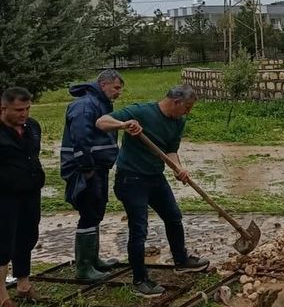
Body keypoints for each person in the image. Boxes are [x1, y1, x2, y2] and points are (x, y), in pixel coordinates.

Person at [95, 84, 209, 298]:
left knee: (173, 216)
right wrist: (124, 124)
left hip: (155, 177)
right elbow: (101, 122)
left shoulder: (178, 121)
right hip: (131, 179)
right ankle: (140, 280)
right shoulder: (141, 111)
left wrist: (178, 168)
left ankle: (181, 261)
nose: (188, 112)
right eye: (187, 107)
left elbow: (170, 150)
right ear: (176, 102)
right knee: (139, 228)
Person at [60, 69, 125, 281]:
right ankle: (84, 268)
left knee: (96, 211)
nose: (118, 93)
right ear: (103, 84)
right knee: (88, 212)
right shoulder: (85, 105)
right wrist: (86, 167)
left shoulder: (101, 103)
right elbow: (80, 137)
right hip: (86, 169)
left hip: (98, 167)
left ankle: (93, 259)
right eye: (116, 88)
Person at [0, 88, 45, 307]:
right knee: (3, 243)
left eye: (27, 108)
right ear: (3, 108)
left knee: (27, 237)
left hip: (30, 192)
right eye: (18, 110)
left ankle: (24, 285)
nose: (24, 113)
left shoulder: (33, 127)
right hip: (4, 195)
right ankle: (2, 296)